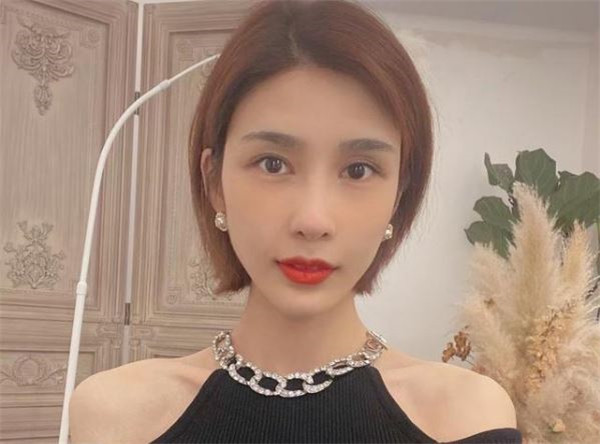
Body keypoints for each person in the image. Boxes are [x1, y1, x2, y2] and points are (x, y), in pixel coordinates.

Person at [68, 0, 522, 442]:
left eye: (358, 170)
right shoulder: (118, 415)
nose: (313, 219)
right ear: (214, 182)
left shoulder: (463, 416)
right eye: (273, 164)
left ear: (399, 196)